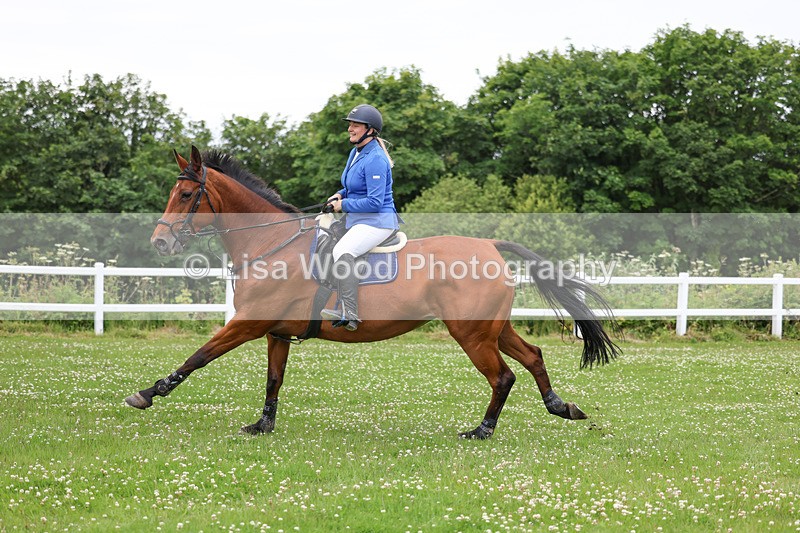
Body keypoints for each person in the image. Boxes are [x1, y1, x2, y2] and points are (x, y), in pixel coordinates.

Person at [320, 104, 400, 331]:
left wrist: (342, 205)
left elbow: (374, 202)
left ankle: (350, 313)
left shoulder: (376, 158)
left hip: (378, 221)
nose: (350, 129)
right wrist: (339, 194)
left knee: (342, 251)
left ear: (370, 130)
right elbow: (353, 186)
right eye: (350, 125)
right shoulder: (355, 152)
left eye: (355, 125)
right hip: (359, 220)